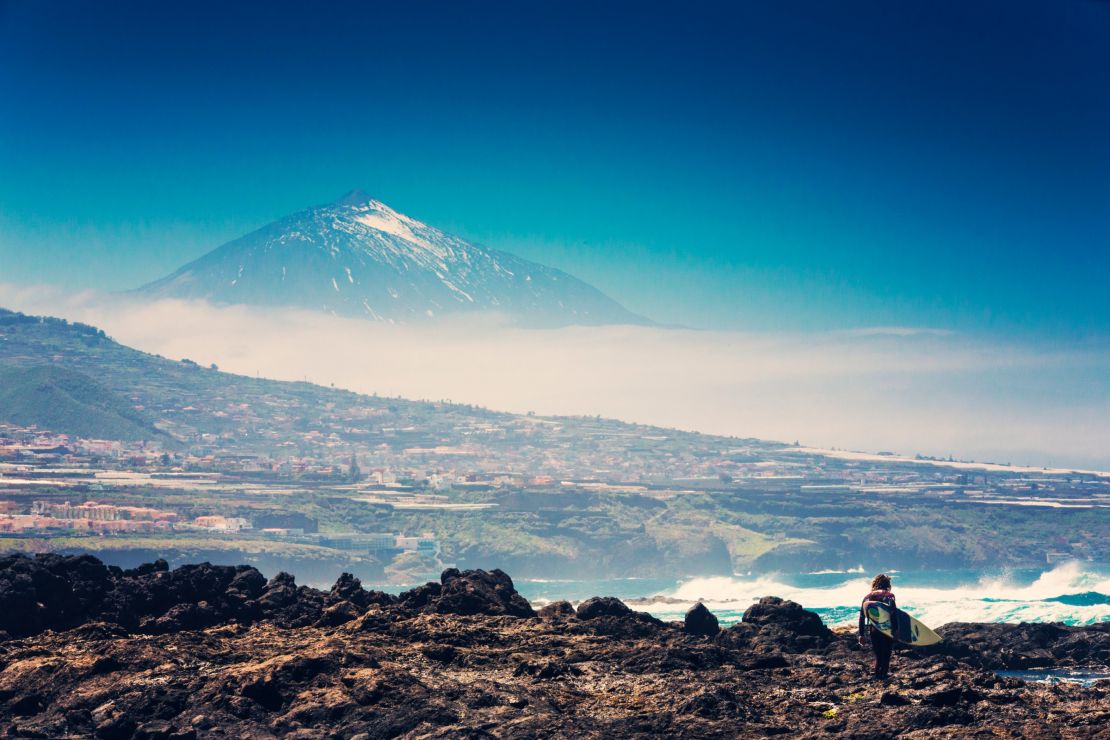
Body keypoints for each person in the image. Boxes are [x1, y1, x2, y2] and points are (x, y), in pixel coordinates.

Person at [858, 573, 896, 679]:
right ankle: (883, 677)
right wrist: (896, 630)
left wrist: (861, 634)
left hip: (873, 630)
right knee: (886, 655)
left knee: (879, 656)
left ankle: (877, 677)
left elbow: (862, 616)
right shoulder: (889, 596)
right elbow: (893, 614)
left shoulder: (867, 597)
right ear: (887, 584)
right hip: (887, 629)